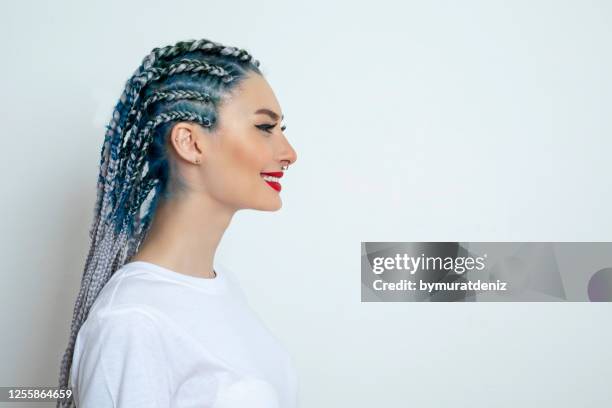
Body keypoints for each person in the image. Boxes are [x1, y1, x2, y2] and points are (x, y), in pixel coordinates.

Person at [55, 38, 299, 408]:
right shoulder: (132, 321)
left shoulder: (223, 291)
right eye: (265, 127)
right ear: (190, 143)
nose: (289, 153)